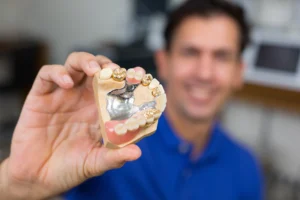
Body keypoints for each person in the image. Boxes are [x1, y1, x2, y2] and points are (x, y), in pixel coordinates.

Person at [0, 0, 264, 199]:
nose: (204, 73)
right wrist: (16, 183)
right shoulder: (99, 139)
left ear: (238, 72)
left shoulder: (246, 169)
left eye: (221, 56)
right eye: (190, 52)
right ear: (163, 62)